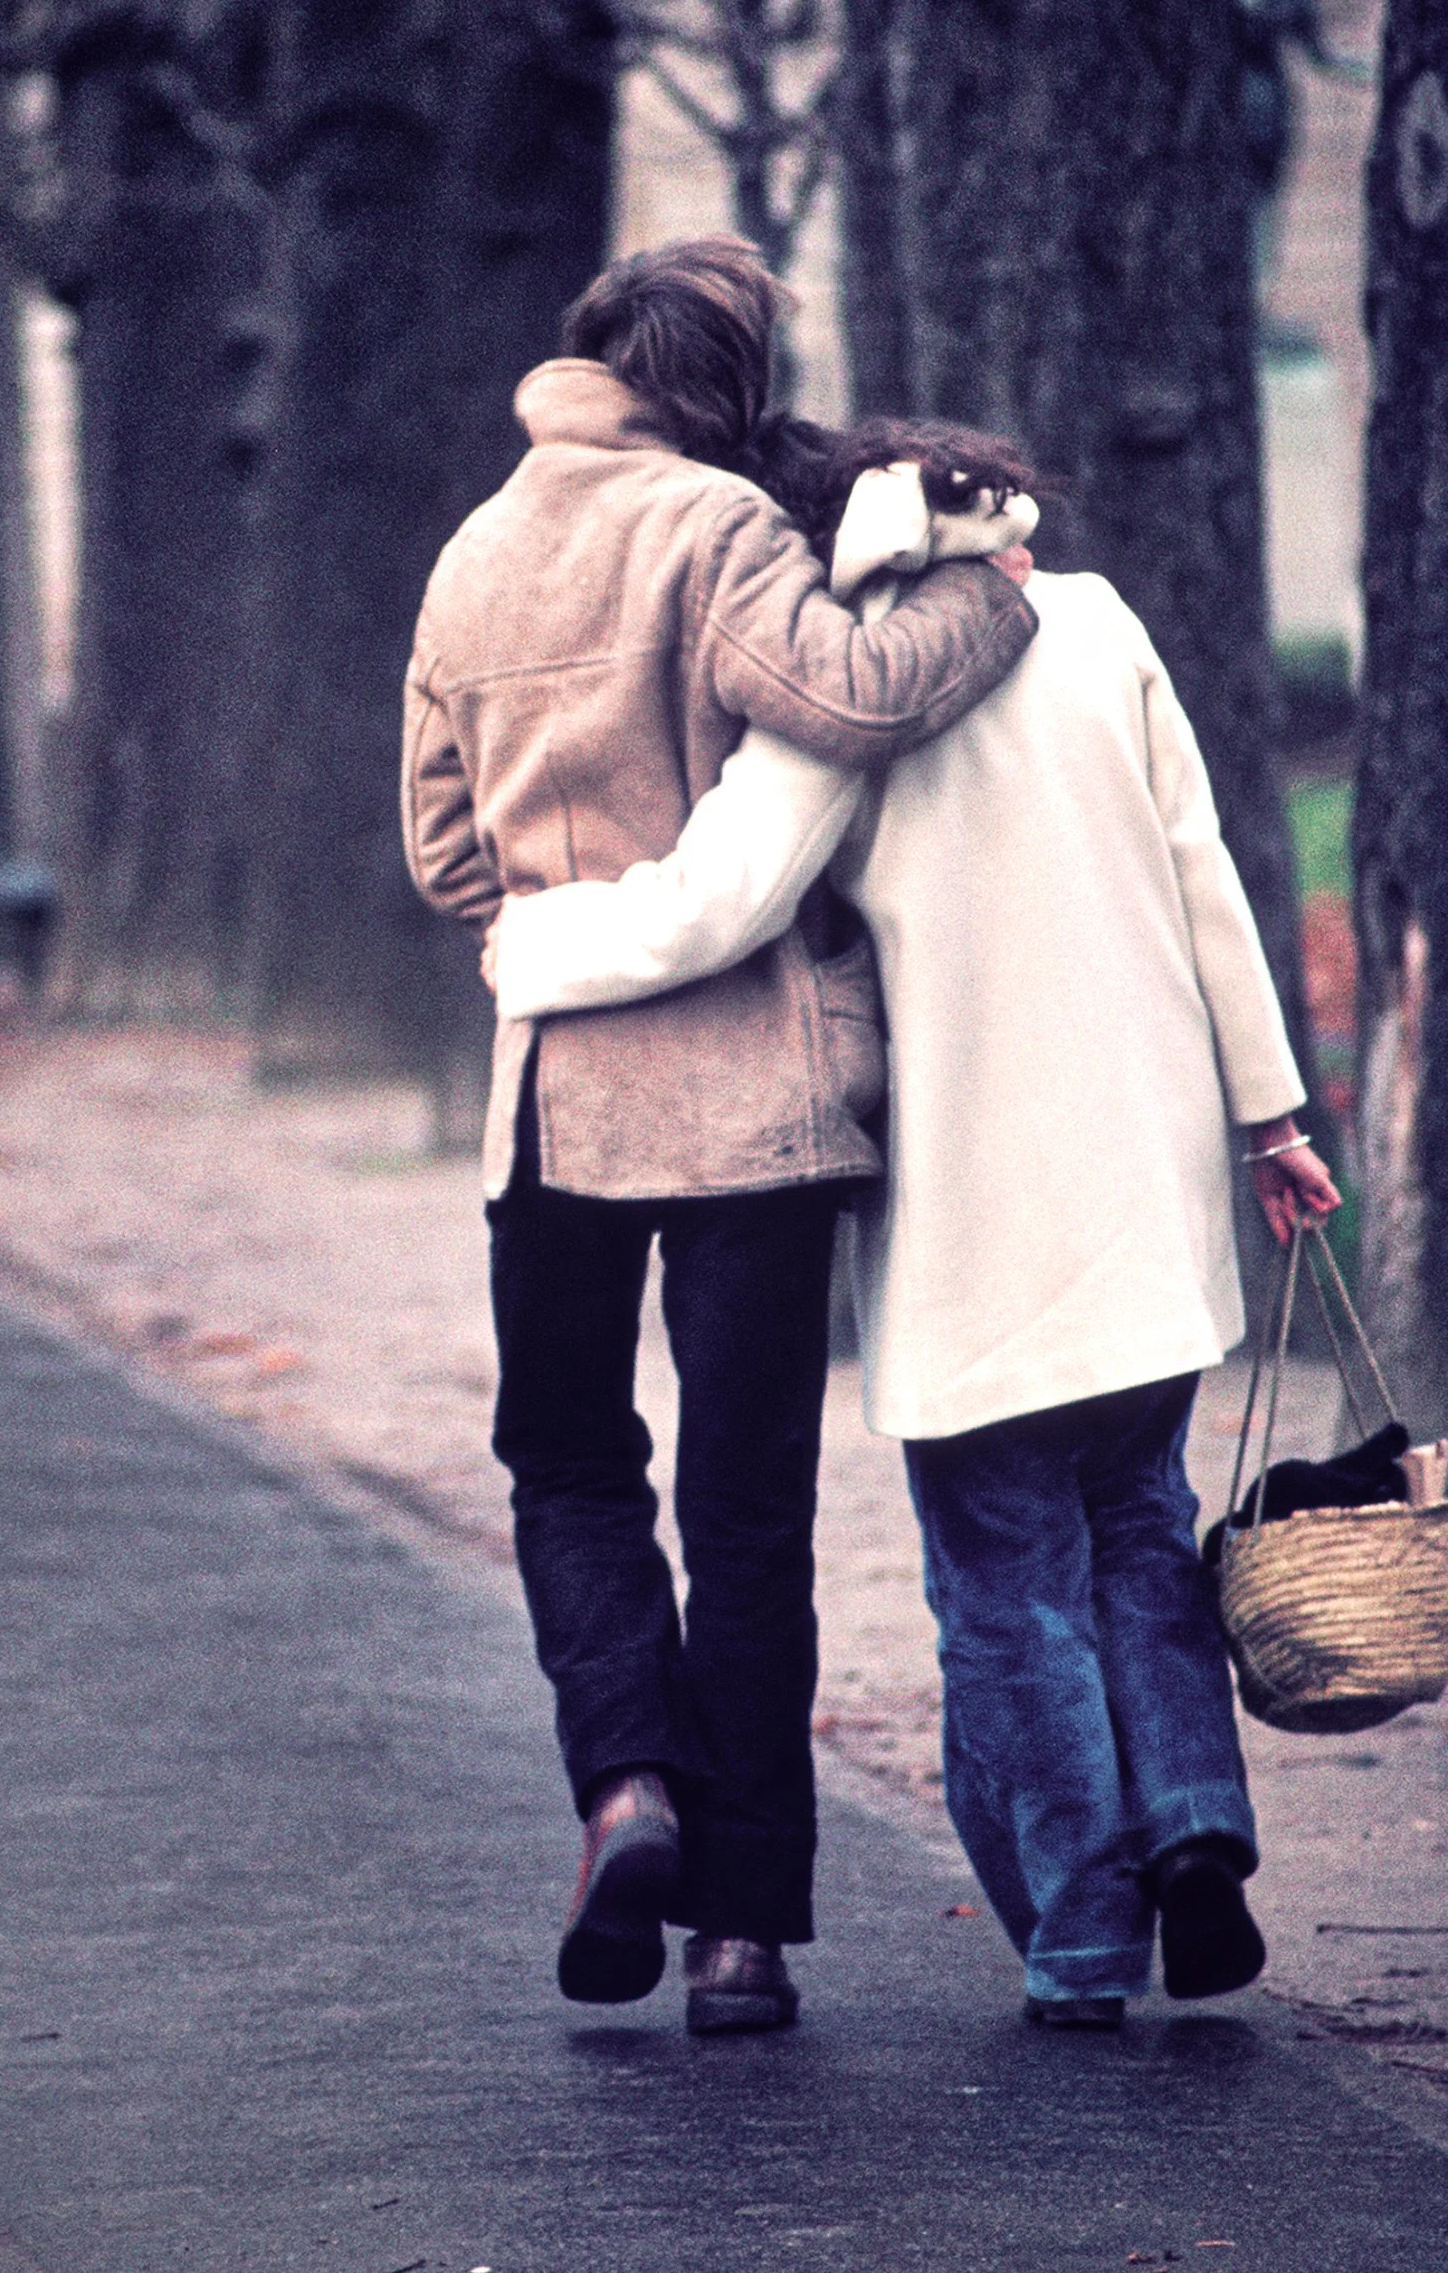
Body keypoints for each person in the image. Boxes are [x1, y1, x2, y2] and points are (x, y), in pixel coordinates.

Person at [489, 414, 1341, 2030]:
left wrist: (532, 950)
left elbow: (718, 903)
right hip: (1146, 1177)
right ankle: (1197, 1833)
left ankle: (1087, 1934)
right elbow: (1201, 867)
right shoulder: (1093, 625)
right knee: (1140, 1526)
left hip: (973, 1204)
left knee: (1006, 1577)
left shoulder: (851, 700)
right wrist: (1270, 1114)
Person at [400, 244, 1038, 2034]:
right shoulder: (721, 530)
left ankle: (626, 1789)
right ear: (733, 382)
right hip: (758, 1102)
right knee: (747, 1512)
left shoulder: (470, 556)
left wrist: (559, 919)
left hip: (557, 1108)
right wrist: (994, 592)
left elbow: (447, 860)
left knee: (570, 1464)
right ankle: (741, 1937)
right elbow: (844, 696)